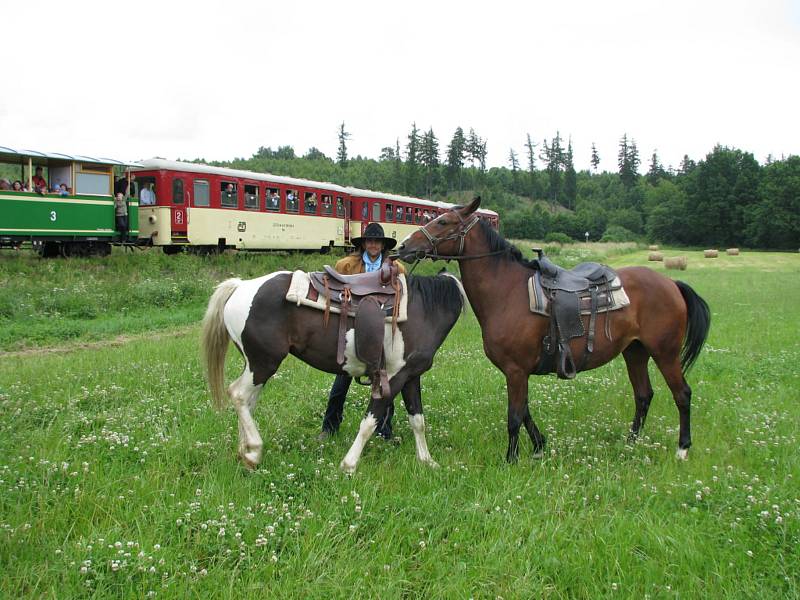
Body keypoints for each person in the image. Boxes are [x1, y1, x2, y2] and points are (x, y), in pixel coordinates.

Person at [320, 222, 406, 441]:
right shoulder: (346, 265)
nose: (373, 245)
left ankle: (384, 430)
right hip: (352, 327)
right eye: (369, 241)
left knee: (384, 381)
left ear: (383, 245)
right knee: (341, 380)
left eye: (377, 241)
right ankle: (329, 427)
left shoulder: (397, 268)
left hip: (381, 329)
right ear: (364, 243)